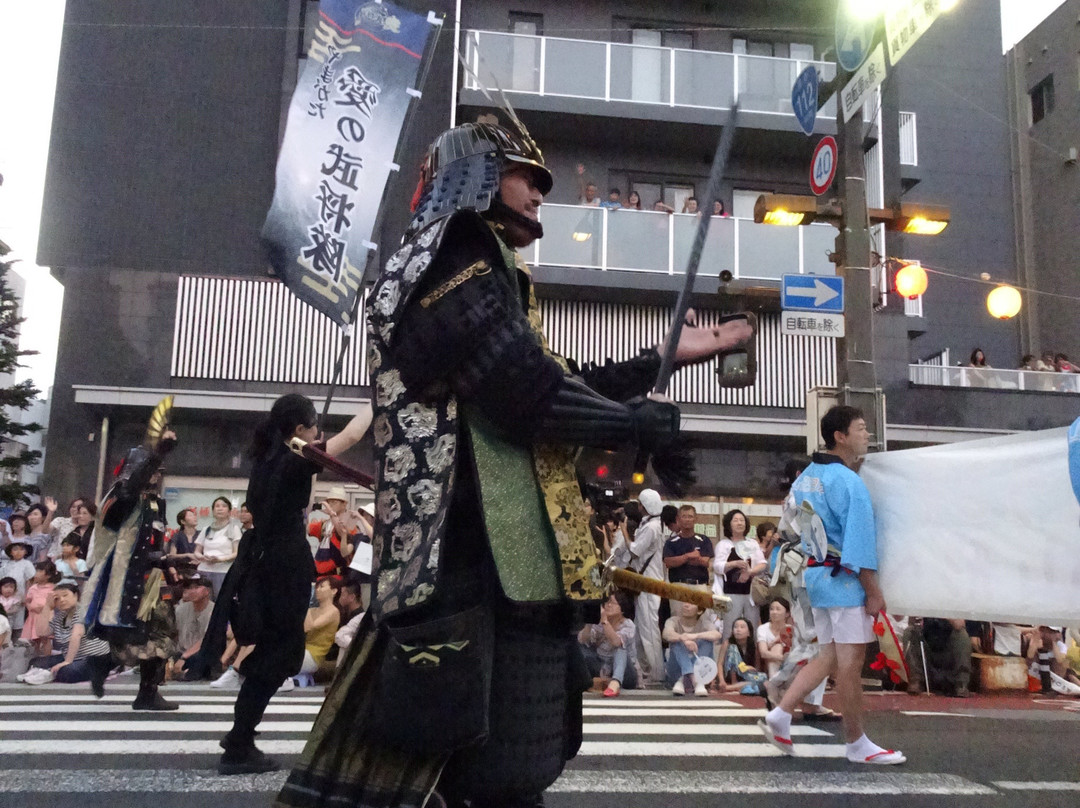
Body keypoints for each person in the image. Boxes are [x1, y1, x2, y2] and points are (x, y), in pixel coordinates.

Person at [275, 120, 752, 808]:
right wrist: (629, 422)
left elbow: (555, 377)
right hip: (464, 556)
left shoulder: (490, 272)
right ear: (475, 174)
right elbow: (522, 389)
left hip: (503, 564)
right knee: (480, 767)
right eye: (526, 175)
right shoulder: (448, 260)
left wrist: (665, 358)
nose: (539, 192)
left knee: (497, 764)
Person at [214, 393, 370, 774]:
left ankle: (241, 733)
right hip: (282, 567)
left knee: (273, 651)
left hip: (266, 564)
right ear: (299, 429)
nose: (319, 431)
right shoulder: (294, 461)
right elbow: (349, 438)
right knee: (281, 655)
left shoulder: (265, 461)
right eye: (314, 425)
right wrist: (377, 400)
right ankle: (238, 740)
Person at [760, 405, 905, 765]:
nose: (866, 434)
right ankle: (857, 743)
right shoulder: (850, 482)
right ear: (840, 436)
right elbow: (859, 543)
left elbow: (791, 523)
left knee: (828, 655)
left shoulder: (806, 476)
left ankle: (780, 715)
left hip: (815, 576)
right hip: (843, 580)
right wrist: (873, 591)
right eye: (860, 428)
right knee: (849, 663)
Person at [82, 425, 188, 710]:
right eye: (151, 469)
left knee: (163, 633)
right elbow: (130, 491)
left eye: (158, 470)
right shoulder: (119, 498)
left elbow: (152, 544)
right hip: (125, 579)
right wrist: (155, 454)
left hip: (152, 578)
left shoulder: (155, 502)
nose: (156, 475)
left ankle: (145, 690)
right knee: (135, 634)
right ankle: (104, 662)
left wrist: (170, 565)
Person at [26, 583, 112, 684]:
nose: (61, 600)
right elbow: (42, 632)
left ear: (75, 595)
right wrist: (47, 607)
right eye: (57, 598)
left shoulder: (85, 611)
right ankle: (47, 673)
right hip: (72, 657)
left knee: (67, 672)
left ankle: (48, 674)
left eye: (65, 595)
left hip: (93, 658)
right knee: (35, 663)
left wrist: (67, 662)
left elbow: (76, 635)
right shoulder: (60, 617)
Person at [626, 488, 666, 685]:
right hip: (645, 582)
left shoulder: (651, 527)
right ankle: (646, 669)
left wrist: (624, 532)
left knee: (649, 629)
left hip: (649, 583)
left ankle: (657, 673)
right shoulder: (650, 524)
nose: (638, 506)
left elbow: (635, 550)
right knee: (642, 629)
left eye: (640, 503)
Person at [283, 575, 342, 689]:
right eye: (317, 587)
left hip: (314, 655)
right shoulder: (312, 610)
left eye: (322, 587)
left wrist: (305, 601)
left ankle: (284, 679)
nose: (317, 590)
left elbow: (310, 626)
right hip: (302, 650)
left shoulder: (333, 612)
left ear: (334, 591)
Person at [578, 590, 639, 697]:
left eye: (613, 603)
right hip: (602, 668)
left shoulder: (628, 625)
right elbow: (583, 640)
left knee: (620, 648)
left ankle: (615, 682)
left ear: (622, 609)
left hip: (626, 673)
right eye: (606, 602)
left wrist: (605, 621)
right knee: (581, 648)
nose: (608, 605)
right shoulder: (599, 623)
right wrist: (589, 622)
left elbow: (616, 642)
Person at [713, 508, 766, 631]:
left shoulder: (752, 543)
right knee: (730, 628)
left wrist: (750, 572)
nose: (739, 523)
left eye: (742, 520)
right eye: (735, 520)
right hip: (730, 593)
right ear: (729, 524)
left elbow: (762, 564)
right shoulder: (724, 544)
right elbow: (717, 566)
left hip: (751, 593)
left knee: (751, 628)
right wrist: (734, 563)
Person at [663, 600, 722, 696]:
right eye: (685, 602)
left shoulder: (705, 623)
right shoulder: (673, 620)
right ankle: (694, 679)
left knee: (707, 641)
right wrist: (683, 638)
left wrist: (695, 636)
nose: (686, 605)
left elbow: (717, 635)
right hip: (676, 672)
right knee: (677, 641)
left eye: (691, 604)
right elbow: (666, 633)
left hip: (701, 672)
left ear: (699, 611)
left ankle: (685, 679)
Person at [903, 617, 972, 697]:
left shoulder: (954, 605)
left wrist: (942, 613)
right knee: (910, 632)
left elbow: (959, 624)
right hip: (927, 651)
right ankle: (916, 680)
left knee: (962, 635)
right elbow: (911, 623)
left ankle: (961, 684)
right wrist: (916, 618)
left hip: (948, 653)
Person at [194, 497, 242, 598]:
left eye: (224, 506)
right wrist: (203, 557)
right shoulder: (206, 529)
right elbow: (197, 552)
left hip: (223, 571)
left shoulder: (234, 529)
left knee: (221, 602)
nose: (220, 509)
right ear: (213, 511)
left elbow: (236, 553)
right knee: (203, 601)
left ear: (229, 511)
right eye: (217, 506)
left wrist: (219, 559)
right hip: (204, 570)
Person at [170, 575, 215, 680]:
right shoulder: (180, 610)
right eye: (189, 588)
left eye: (196, 587)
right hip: (181, 651)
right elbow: (174, 634)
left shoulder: (213, 611)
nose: (192, 591)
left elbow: (206, 640)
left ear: (207, 591)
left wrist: (184, 657)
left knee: (199, 659)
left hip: (201, 652)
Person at [308, 488, 357, 578]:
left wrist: (331, 513)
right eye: (329, 502)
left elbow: (341, 532)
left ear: (344, 504)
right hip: (320, 574)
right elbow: (307, 528)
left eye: (334, 502)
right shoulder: (325, 524)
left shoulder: (350, 524)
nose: (330, 505)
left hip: (338, 575)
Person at [664, 505, 713, 590]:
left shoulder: (704, 540)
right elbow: (669, 563)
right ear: (678, 519)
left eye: (690, 516)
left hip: (700, 585)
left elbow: (705, 562)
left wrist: (680, 560)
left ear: (695, 519)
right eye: (684, 516)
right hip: (677, 586)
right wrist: (688, 556)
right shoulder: (671, 542)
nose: (687, 519)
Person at [21, 560, 61, 655]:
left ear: (48, 575)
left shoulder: (53, 589)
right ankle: (36, 658)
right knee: (35, 640)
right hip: (33, 617)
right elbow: (27, 600)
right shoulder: (33, 587)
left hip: (45, 618)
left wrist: (44, 608)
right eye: (36, 571)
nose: (36, 574)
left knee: (45, 640)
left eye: (39, 571)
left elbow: (56, 604)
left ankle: (46, 660)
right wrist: (30, 607)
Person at [720, 616, 767, 694]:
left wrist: (751, 668)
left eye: (742, 627)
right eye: (735, 627)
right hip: (731, 675)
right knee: (733, 648)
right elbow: (720, 663)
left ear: (749, 632)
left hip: (747, 676)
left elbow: (757, 668)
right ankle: (734, 685)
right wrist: (721, 680)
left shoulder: (754, 645)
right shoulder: (727, 643)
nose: (738, 630)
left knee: (764, 678)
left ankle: (732, 688)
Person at [756, 597, 793, 678]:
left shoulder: (791, 629)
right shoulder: (763, 629)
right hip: (770, 663)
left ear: (787, 613)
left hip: (789, 662)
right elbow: (763, 653)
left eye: (778, 609)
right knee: (777, 646)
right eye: (772, 609)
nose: (774, 612)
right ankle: (774, 681)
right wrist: (782, 658)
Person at [333, 578, 365, 665]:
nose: (340, 598)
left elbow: (340, 637)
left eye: (343, 594)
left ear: (352, 597)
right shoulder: (346, 613)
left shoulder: (359, 617)